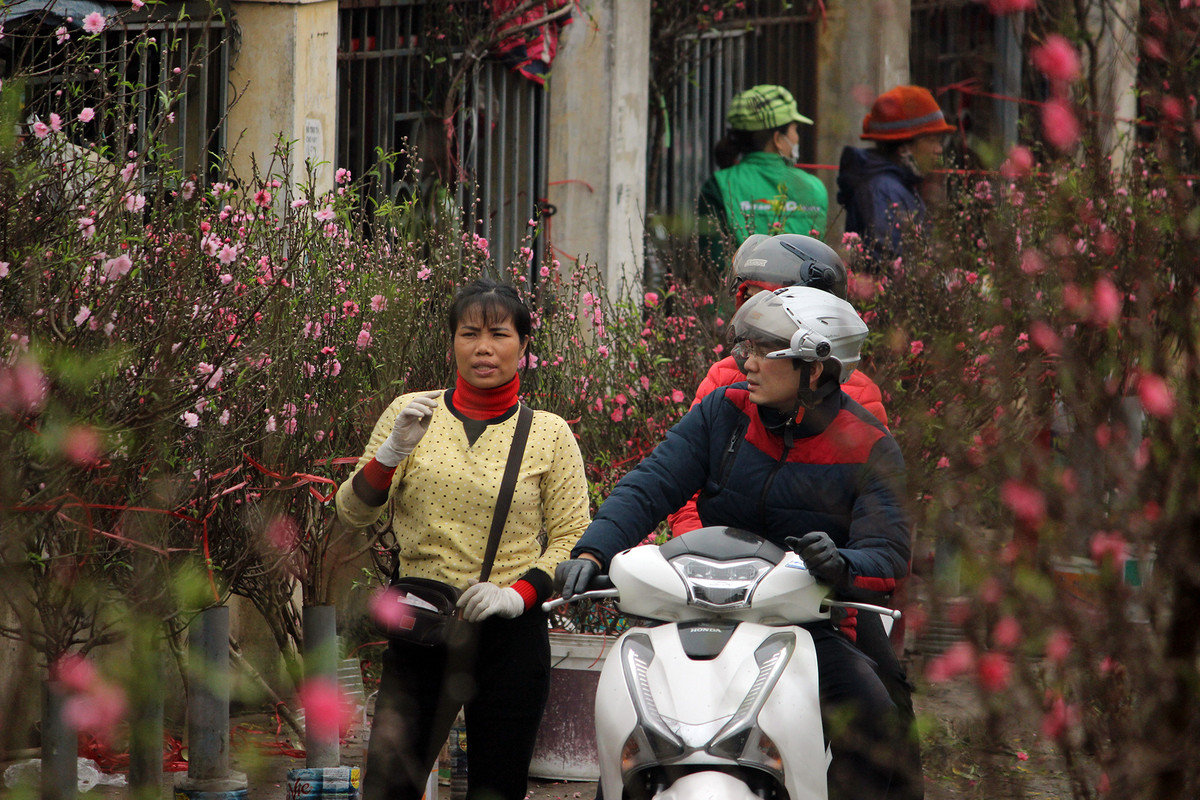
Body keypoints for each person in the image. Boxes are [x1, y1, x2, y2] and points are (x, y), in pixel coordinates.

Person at [558, 286, 914, 800]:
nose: (745, 360)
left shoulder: (870, 445)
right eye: (746, 345)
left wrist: (841, 562)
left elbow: (889, 552)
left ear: (815, 368)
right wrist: (593, 550)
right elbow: (651, 483)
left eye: (765, 350)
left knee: (876, 720)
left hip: (801, 622)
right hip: (696, 607)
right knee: (632, 729)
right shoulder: (723, 412)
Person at [336, 279, 590, 800]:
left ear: (523, 345)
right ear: (452, 341)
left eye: (499, 334)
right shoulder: (413, 413)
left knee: (497, 788)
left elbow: (573, 536)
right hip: (423, 624)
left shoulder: (549, 432)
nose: (483, 347)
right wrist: (389, 455)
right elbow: (352, 512)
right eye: (469, 333)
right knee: (390, 786)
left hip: (509, 633)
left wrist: (517, 595)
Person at [698, 85, 828, 277]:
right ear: (778, 139)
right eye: (795, 129)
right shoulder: (814, 187)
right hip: (802, 294)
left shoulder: (719, 185)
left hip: (742, 294)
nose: (797, 137)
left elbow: (713, 261)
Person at [836, 84, 956, 267]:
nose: (939, 150)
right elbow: (889, 263)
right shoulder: (882, 191)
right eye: (931, 140)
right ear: (904, 147)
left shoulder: (897, 185)